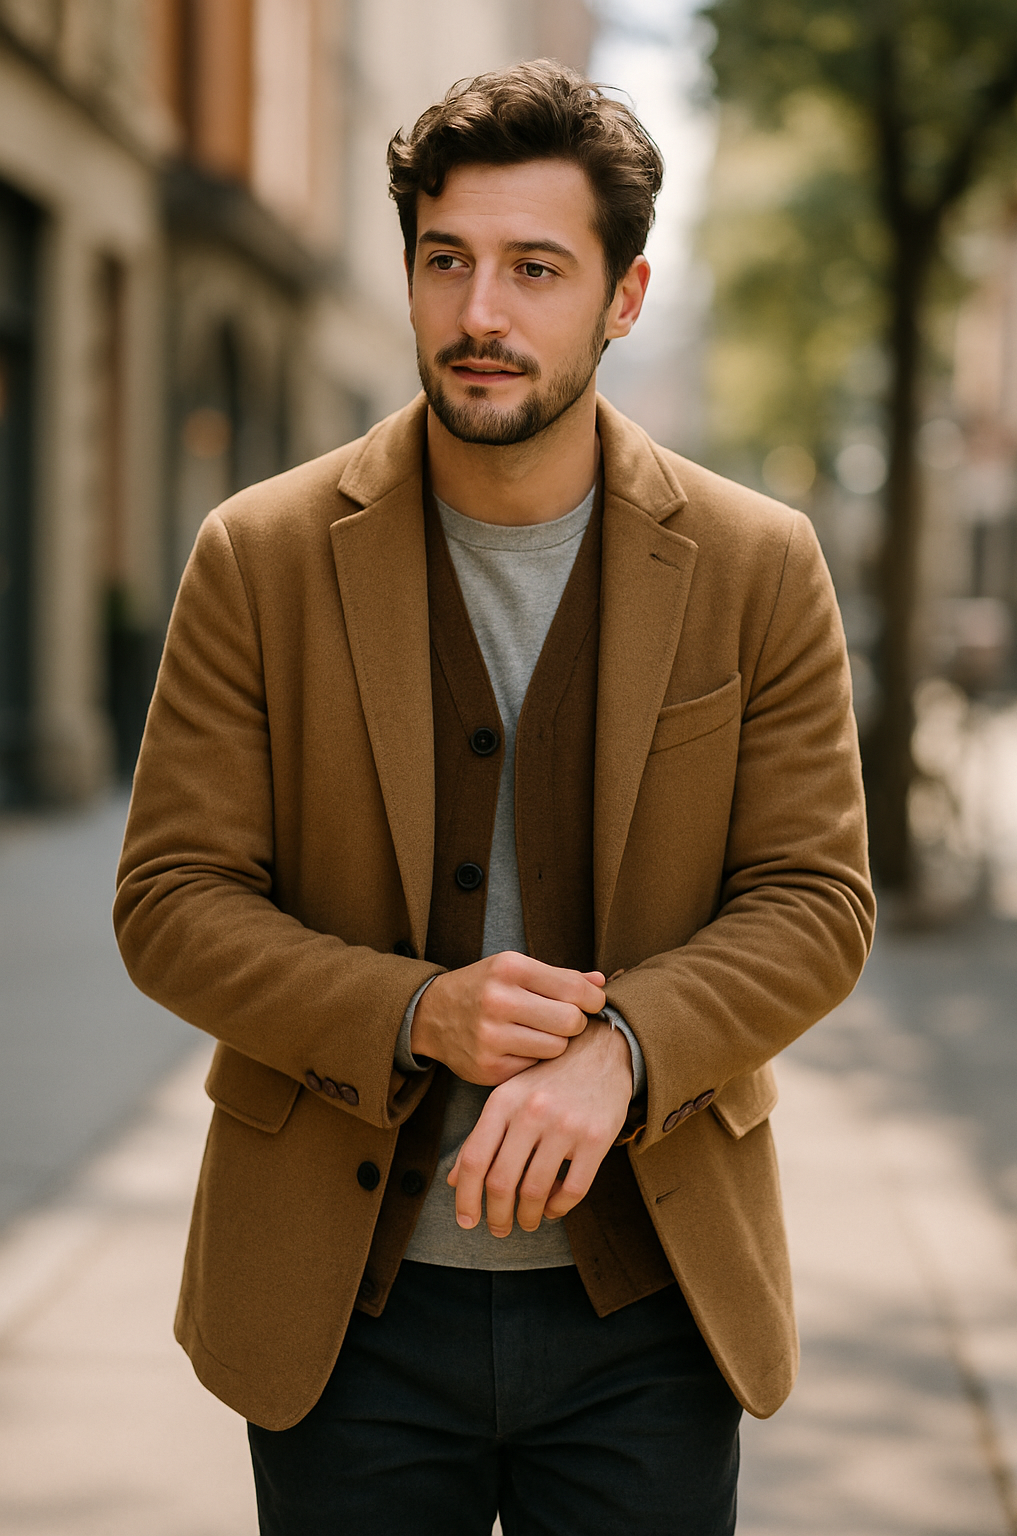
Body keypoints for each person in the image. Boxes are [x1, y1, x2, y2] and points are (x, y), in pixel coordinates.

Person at [115, 59, 874, 1536]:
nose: (482, 314)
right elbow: (168, 903)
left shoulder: (758, 563)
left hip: (649, 1307)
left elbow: (818, 902)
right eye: (447, 261)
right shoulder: (254, 556)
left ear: (625, 296)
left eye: (537, 268)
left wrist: (628, 1052)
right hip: (346, 1317)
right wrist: (415, 1013)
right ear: (406, 275)